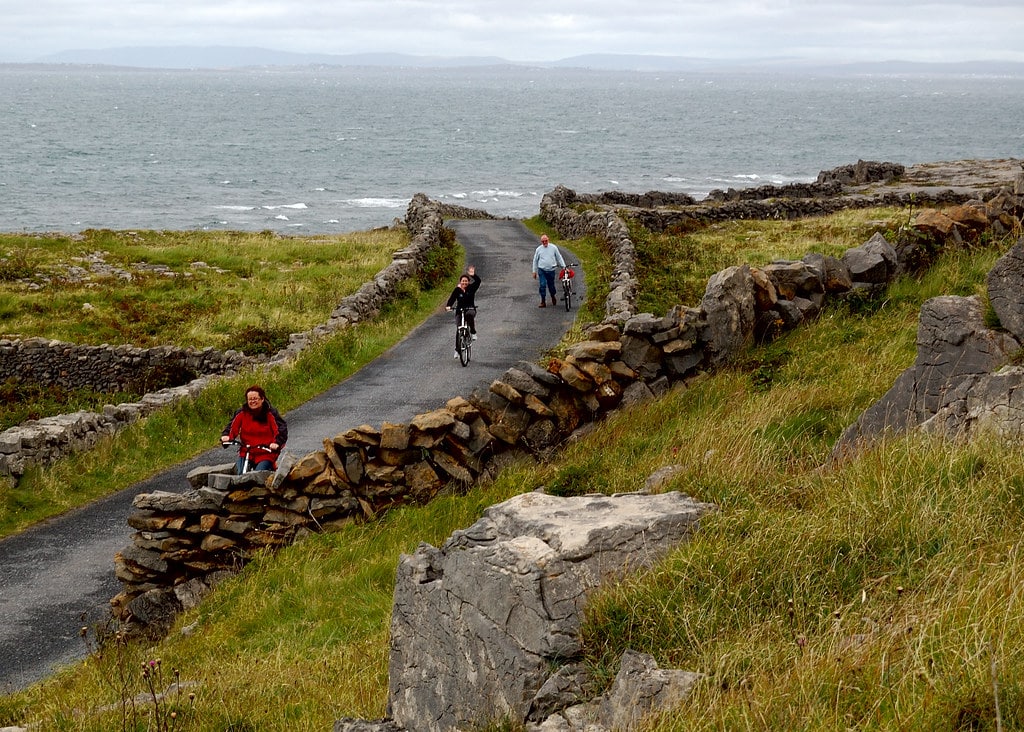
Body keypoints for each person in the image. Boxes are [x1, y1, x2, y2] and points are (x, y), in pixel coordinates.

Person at [220, 385, 287, 473]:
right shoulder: (242, 413)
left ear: (262, 399)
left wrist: (276, 443)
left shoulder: (270, 413)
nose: (252, 401)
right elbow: (232, 427)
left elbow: (281, 429)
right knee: (240, 473)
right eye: (250, 399)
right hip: (247, 451)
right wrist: (227, 436)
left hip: (265, 452)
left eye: (255, 399)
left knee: (259, 474)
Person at [445, 265, 481, 357]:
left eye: (466, 281)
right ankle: (457, 350)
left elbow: (478, 281)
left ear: (468, 282)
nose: (464, 283)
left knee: (469, 315)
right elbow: (452, 299)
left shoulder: (471, 289)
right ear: (460, 282)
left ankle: (473, 332)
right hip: (459, 311)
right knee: (459, 329)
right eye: (462, 281)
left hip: (470, 309)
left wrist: (473, 275)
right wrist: (448, 306)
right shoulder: (457, 290)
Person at [532, 234, 566, 308]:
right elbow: (535, 260)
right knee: (542, 285)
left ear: (548, 240)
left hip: (551, 270)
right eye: (543, 241)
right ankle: (543, 301)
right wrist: (534, 271)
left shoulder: (553, 248)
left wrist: (564, 267)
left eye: (546, 241)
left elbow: (559, 257)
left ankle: (553, 296)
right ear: (541, 242)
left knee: (551, 286)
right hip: (542, 270)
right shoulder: (538, 249)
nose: (544, 242)